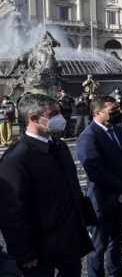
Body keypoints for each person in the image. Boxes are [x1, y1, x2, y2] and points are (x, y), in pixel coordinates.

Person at [0, 94, 93, 276]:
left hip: (70, 239)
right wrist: (24, 253)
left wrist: (85, 224)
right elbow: (12, 212)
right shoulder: (16, 159)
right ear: (34, 119)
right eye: (53, 114)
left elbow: (73, 189)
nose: (60, 118)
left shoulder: (59, 146)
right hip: (40, 250)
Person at [76, 96, 122, 277]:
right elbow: (96, 172)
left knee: (117, 239)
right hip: (102, 200)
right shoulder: (88, 137)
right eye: (112, 111)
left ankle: (116, 271)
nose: (117, 113)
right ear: (98, 113)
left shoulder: (119, 131)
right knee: (98, 246)